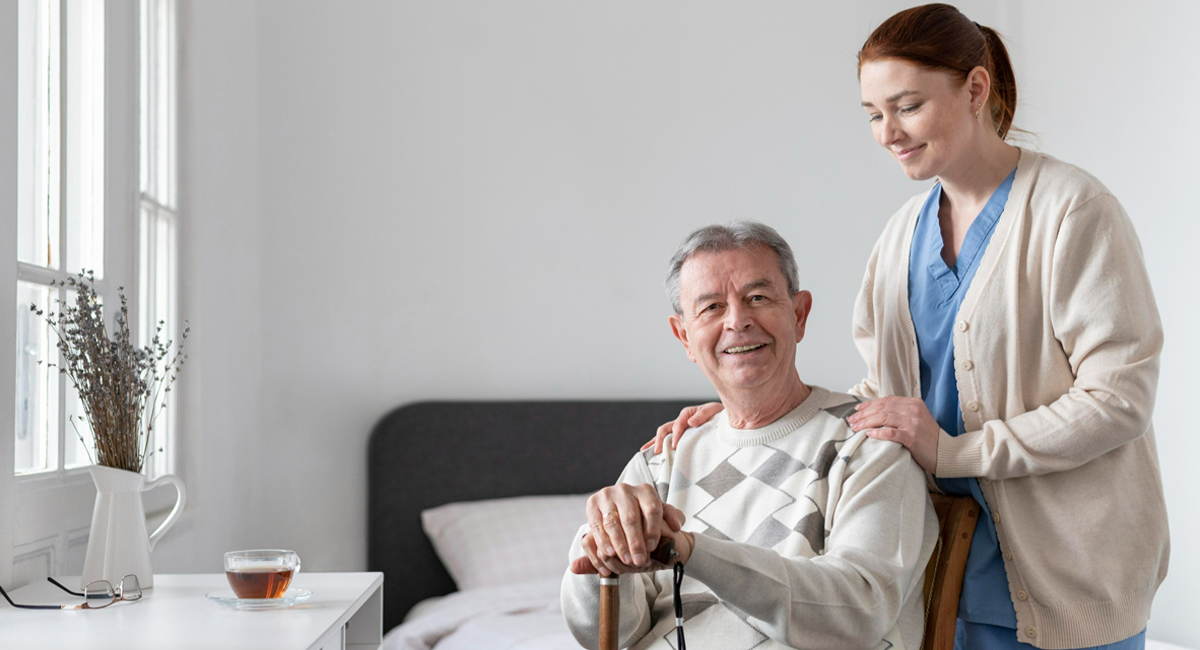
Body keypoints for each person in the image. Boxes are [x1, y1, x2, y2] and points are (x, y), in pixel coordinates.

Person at [641, 5, 1169, 649]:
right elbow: (881, 404)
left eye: (907, 106)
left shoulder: (1071, 212)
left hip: (1068, 579)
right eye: (872, 114)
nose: (887, 132)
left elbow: (1119, 402)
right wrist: (741, 410)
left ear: (975, 89)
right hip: (941, 581)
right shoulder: (900, 240)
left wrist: (955, 452)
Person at [561, 222, 938, 650]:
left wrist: (694, 552)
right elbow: (607, 634)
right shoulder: (661, 458)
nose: (737, 321)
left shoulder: (868, 444)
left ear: (799, 315)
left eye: (757, 298)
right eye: (711, 307)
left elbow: (858, 612)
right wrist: (599, 547)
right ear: (684, 335)